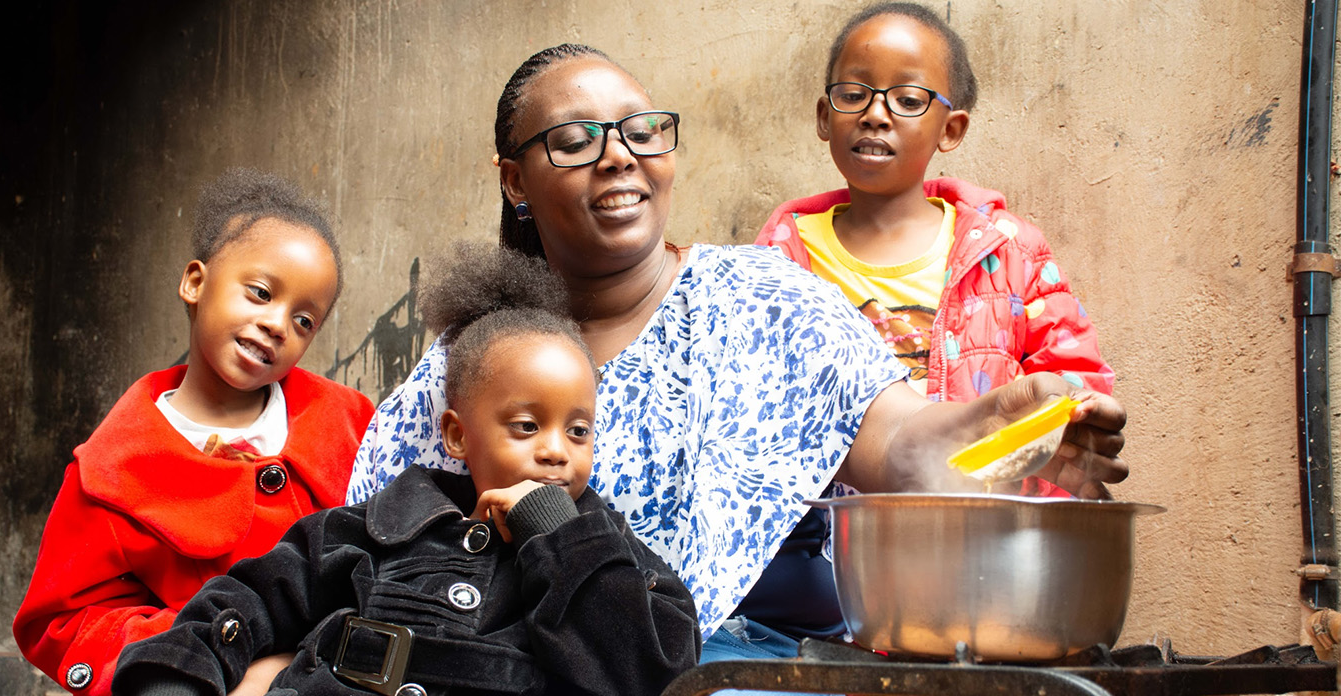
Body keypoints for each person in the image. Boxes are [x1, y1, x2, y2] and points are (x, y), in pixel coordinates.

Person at [348, 43, 1127, 667]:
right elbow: (371, 553)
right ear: (516, 181)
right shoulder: (474, 357)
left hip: (742, 671)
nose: (619, 156)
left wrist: (1003, 437)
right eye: (576, 141)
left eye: (642, 129)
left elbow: (905, 451)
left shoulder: (762, 299)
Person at [110, 243, 700, 696]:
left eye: (578, 431)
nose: (556, 451)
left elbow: (657, 674)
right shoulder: (380, 526)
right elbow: (250, 600)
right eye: (526, 426)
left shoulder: (605, 552)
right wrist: (178, 678)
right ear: (457, 435)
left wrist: (554, 533)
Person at [13, 168, 376, 696]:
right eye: (259, 293)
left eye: (304, 321)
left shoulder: (349, 423)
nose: (278, 324)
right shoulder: (111, 468)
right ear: (196, 283)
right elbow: (63, 622)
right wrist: (196, 648)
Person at [755, 3, 1113, 448]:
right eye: (852, 94)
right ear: (824, 116)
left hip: (976, 510)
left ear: (950, 130)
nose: (876, 114)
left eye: (908, 100)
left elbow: (1072, 380)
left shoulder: (1009, 251)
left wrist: (1071, 414)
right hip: (831, 517)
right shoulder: (778, 263)